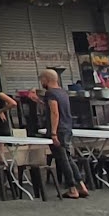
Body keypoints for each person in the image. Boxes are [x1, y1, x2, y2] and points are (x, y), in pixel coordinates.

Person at [40, 69, 88, 198]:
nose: (41, 82)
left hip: (58, 129)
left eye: (41, 79)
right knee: (68, 157)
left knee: (62, 159)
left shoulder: (50, 93)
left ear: (46, 79)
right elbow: (54, 108)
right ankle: (81, 185)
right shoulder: (62, 92)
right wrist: (38, 101)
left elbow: (55, 113)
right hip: (67, 127)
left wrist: (53, 133)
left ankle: (72, 188)